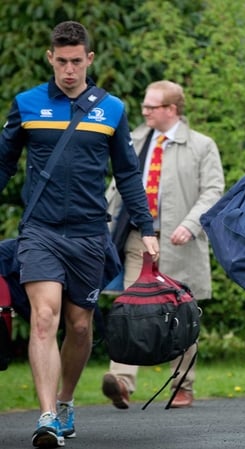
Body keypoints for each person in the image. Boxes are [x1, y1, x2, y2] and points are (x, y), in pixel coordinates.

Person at [0, 21, 160, 448]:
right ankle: (47, 415)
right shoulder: (27, 104)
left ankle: (66, 401)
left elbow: (127, 175)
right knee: (45, 317)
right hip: (41, 230)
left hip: (90, 233)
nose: (68, 69)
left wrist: (147, 228)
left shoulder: (112, 109)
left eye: (76, 61)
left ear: (89, 59)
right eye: (61, 61)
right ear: (50, 58)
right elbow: (4, 164)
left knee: (80, 325)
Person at [100, 80, 224, 409]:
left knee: (180, 313)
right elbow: (117, 186)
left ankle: (182, 384)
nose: (143, 112)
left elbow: (213, 192)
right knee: (130, 307)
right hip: (139, 239)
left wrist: (190, 224)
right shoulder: (135, 139)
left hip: (180, 240)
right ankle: (122, 381)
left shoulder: (202, 145)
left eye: (150, 107)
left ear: (171, 109)